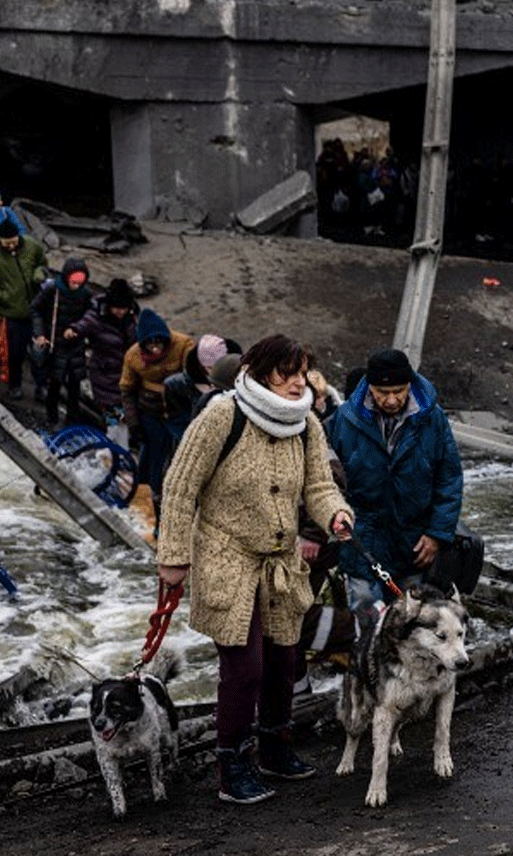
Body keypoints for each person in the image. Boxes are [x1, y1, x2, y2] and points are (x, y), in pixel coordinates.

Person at [155, 334, 352, 804]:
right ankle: (233, 766)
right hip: (228, 556)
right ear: (262, 372)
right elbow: (180, 487)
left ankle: (274, 748)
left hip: (281, 562)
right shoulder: (223, 415)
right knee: (244, 668)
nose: (298, 382)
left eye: (303, 373)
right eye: (288, 373)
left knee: (284, 660)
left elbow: (319, 486)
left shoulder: (305, 422)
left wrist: (335, 514)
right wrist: (173, 557)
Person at [326, 347, 463, 625]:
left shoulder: (433, 419)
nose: (391, 400)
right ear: (369, 387)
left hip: (414, 541)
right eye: (382, 392)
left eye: (399, 391)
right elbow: (324, 480)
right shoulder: (343, 421)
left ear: (410, 384)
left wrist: (437, 534)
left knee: (413, 618)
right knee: (364, 613)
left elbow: (449, 478)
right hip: (362, 537)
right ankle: (366, 665)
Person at [119, 309, 195, 522]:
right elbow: (127, 390)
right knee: (153, 460)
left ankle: (182, 505)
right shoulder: (133, 356)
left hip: (179, 412)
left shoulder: (183, 345)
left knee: (182, 457)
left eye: (159, 344)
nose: (155, 349)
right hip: (150, 413)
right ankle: (153, 506)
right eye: (150, 345)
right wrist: (134, 425)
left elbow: (194, 373)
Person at [30, 256, 95, 426]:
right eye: (74, 281)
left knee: (75, 386)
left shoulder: (86, 294)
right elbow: (35, 309)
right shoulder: (52, 290)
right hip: (55, 345)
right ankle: (52, 420)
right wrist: (39, 334)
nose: (76, 286)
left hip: (76, 345)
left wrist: (77, 328)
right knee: (54, 385)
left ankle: (71, 421)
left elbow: (92, 315)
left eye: (80, 282)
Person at [0, 222, 48, 401]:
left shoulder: (32, 246)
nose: (11, 246)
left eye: (14, 242)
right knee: (15, 353)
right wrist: (2, 296)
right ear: (0, 241)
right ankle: (14, 385)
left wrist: (39, 274)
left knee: (40, 351)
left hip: (36, 311)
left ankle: (42, 386)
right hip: (11, 313)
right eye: (7, 243)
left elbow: (43, 264)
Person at [69, 278, 138, 427]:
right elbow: (84, 323)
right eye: (116, 308)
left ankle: (118, 442)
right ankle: (116, 444)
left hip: (126, 374)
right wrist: (74, 330)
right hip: (105, 375)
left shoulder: (132, 317)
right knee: (114, 417)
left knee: (123, 416)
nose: (120, 312)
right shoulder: (97, 316)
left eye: (123, 308)